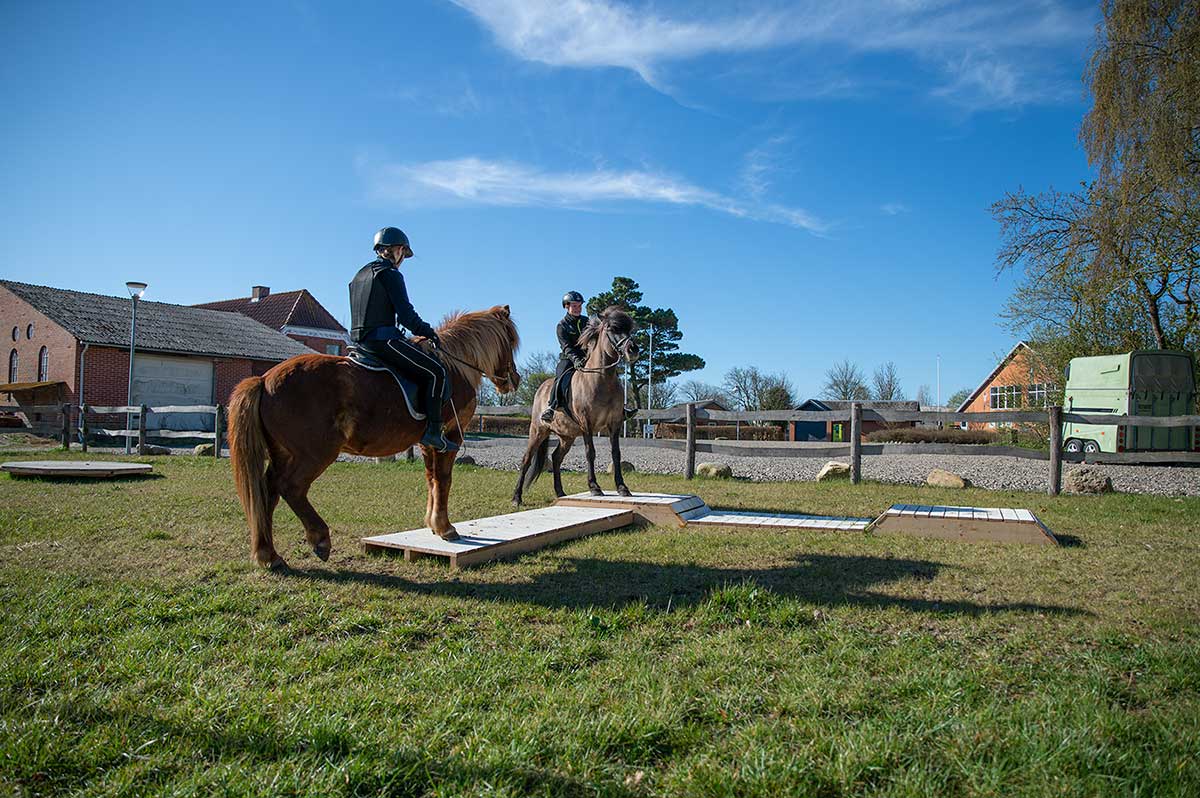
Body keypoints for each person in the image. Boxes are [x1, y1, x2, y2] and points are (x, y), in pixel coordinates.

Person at [349, 226, 457, 453]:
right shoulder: (390, 274)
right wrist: (429, 332)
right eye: (403, 253)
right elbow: (406, 315)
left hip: (360, 343)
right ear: (397, 250)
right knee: (436, 373)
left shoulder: (359, 275)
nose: (402, 259)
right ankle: (434, 433)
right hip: (383, 341)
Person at [541, 291, 588, 422]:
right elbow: (566, 347)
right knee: (560, 377)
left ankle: (620, 408)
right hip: (569, 359)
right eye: (574, 306)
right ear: (566, 307)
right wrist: (576, 360)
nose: (578, 309)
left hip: (587, 357)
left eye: (579, 306)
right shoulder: (562, 326)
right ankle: (551, 407)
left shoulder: (587, 322)